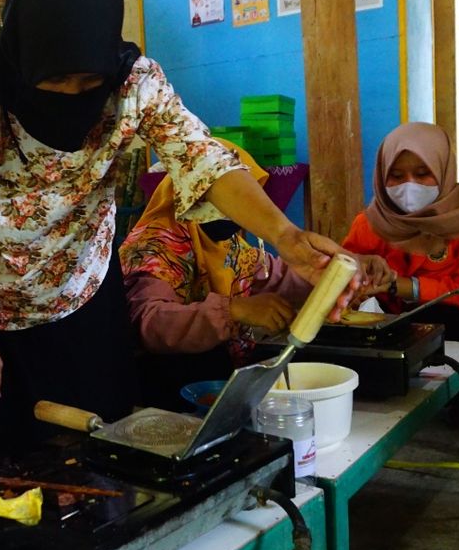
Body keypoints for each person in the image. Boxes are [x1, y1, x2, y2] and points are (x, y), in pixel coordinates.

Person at [0, 0, 360, 486]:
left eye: (87, 83)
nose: (73, 97)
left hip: (80, 284)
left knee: (104, 446)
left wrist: (286, 237)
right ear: (24, 58)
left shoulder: (134, 84)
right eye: (56, 83)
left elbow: (202, 158)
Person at [118, 145, 313, 409]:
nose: (235, 212)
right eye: (223, 198)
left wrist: (329, 274)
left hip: (215, 387)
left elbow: (273, 275)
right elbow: (150, 323)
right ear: (188, 195)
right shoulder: (154, 248)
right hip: (166, 397)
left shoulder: (228, 245)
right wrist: (233, 311)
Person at [341, 122, 459, 359]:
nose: (409, 185)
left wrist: (397, 284)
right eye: (396, 176)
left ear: (443, 168)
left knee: (434, 325)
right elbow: (346, 269)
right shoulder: (372, 221)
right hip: (391, 319)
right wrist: (357, 284)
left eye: (423, 174)